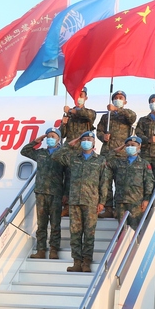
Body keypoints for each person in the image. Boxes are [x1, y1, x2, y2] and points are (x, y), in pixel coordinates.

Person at [51, 131, 106, 273]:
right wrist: (70, 145)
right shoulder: (73, 158)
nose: (86, 141)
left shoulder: (100, 160)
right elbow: (55, 156)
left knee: (89, 233)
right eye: (84, 139)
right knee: (75, 233)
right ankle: (76, 262)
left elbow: (104, 182)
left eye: (89, 139)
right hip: (74, 200)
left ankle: (86, 262)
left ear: (94, 142)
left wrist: (102, 201)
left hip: (91, 201)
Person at [20, 128, 67, 260]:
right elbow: (24, 151)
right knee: (41, 224)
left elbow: (68, 176)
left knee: (55, 224)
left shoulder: (62, 155)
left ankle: (53, 250)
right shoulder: (41, 153)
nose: (50, 138)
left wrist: (66, 194)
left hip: (56, 193)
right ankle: (41, 250)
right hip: (41, 193)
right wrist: (36, 141)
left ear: (58, 139)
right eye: (48, 136)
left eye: (53, 136)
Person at [96, 90, 136, 219]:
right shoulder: (106, 117)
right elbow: (98, 131)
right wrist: (103, 136)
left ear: (125, 101)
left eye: (120, 98)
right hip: (107, 154)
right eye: (116, 98)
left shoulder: (127, 114)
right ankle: (108, 208)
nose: (118, 99)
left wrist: (117, 110)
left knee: (121, 183)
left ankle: (119, 209)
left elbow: (132, 117)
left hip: (122, 155)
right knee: (105, 182)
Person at [59, 87, 96, 217]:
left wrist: (70, 110)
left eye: (81, 95)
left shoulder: (89, 113)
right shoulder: (68, 115)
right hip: (70, 150)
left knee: (81, 179)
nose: (79, 98)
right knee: (68, 177)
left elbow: (86, 115)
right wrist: (63, 124)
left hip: (83, 150)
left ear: (86, 98)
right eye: (77, 95)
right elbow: (62, 134)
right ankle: (67, 205)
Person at [104, 136, 154, 230]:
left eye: (133, 145)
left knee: (135, 229)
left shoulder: (144, 163)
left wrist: (146, 199)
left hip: (136, 201)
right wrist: (116, 150)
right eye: (127, 145)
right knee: (122, 230)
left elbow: (149, 182)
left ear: (139, 147)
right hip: (121, 201)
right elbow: (104, 161)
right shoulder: (119, 162)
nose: (130, 147)